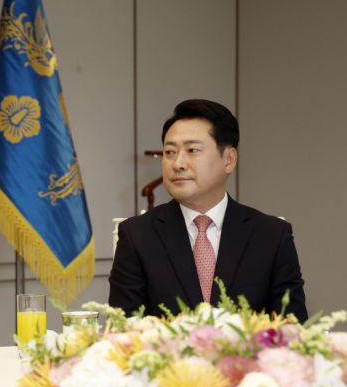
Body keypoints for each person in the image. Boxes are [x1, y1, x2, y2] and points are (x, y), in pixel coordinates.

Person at [108, 99, 307, 321]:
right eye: (169, 152)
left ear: (229, 160)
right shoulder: (137, 236)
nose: (178, 163)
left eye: (192, 150)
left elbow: (292, 330)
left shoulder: (271, 235)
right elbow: (123, 333)